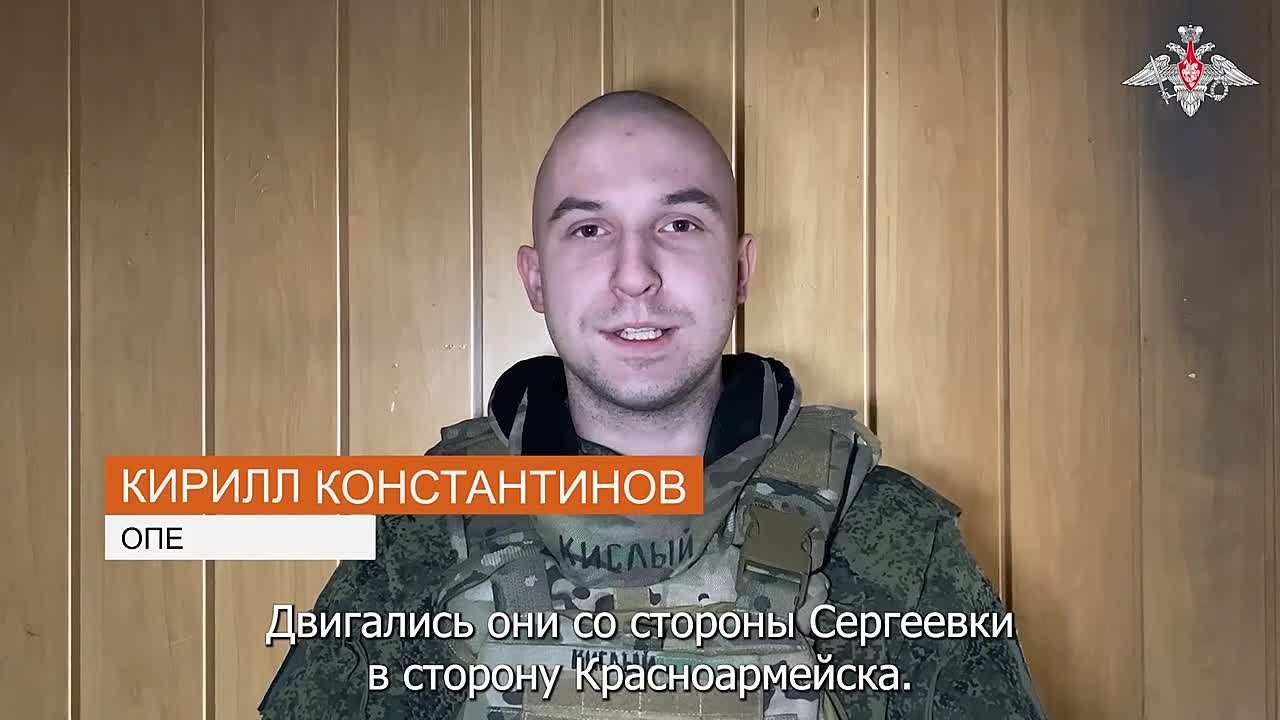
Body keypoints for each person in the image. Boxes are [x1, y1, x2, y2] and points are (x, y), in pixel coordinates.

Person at [258, 90, 1045, 720]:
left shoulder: (887, 534)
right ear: (535, 280)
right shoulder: (422, 533)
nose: (635, 273)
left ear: (741, 270)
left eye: (679, 223)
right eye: (589, 229)